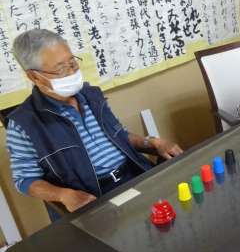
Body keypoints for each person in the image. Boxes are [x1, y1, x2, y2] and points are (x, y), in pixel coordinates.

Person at [6, 29, 183, 220]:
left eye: (73, 63)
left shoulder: (91, 96)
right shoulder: (24, 123)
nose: (72, 72)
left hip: (134, 173)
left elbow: (120, 136)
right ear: (34, 77)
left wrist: (152, 142)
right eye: (61, 69)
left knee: (177, 212)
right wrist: (63, 195)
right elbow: (25, 180)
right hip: (93, 197)